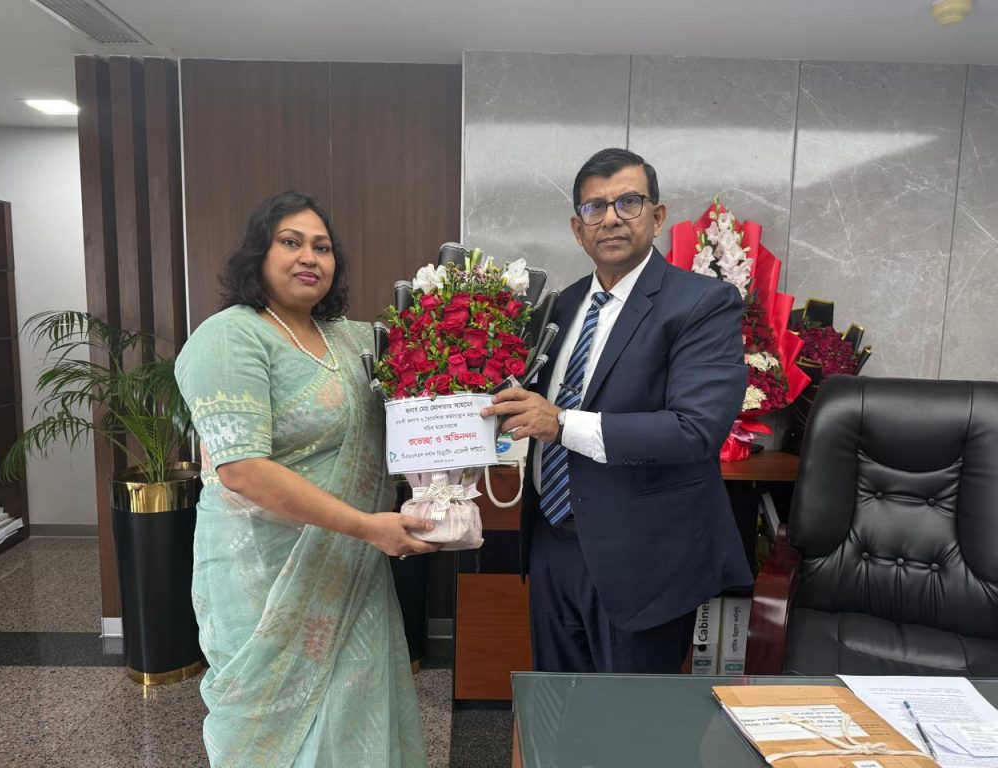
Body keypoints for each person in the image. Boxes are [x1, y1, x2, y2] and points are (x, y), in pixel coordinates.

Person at [175, 191, 436, 766]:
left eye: (322, 247)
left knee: (357, 704)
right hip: (265, 574)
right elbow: (241, 469)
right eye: (290, 242)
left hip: (351, 568)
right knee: (279, 730)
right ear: (259, 254)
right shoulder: (230, 337)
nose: (309, 257)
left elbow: (428, 395)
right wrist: (368, 527)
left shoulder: (354, 339)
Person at [482, 148, 753, 674]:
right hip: (551, 544)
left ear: (657, 215)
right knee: (558, 704)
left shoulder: (702, 303)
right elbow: (520, 402)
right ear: (577, 228)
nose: (610, 218)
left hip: (643, 556)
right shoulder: (558, 308)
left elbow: (694, 430)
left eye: (628, 202)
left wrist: (561, 423)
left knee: (630, 715)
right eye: (594, 207)